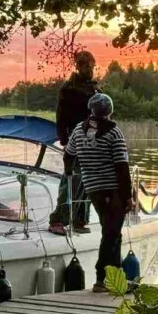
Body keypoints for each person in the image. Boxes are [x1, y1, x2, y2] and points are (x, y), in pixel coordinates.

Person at [64, 93, 133, 292]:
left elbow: (68, 154)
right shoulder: (113, 132)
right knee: (110, 235)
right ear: (109, 111)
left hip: (93, 189)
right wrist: (128, 196)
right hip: (113, 190)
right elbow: (121, 166)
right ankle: (101, 280)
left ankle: (117, 278)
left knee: (112, 232)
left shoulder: (79, 130)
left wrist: (70, 172)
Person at [49, 51, 100, 235]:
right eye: (87, 66)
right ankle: (58, 219)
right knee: (72, 178)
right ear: (78, 66)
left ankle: (79, 219)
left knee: (87, 181)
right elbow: (60, 116)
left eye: (92, 66)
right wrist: (63, 138)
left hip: (93, 141)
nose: (91, 70)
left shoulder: (94, 90)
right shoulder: (69, 89)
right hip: (75, 138)